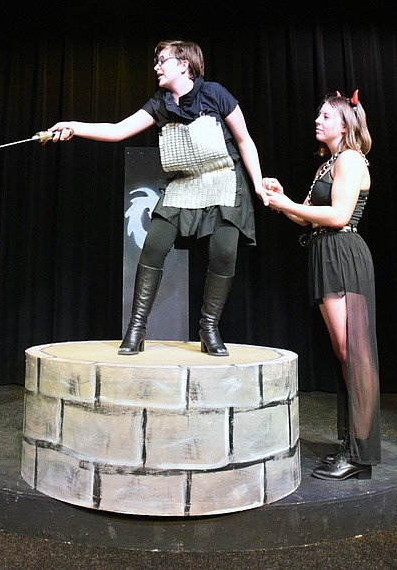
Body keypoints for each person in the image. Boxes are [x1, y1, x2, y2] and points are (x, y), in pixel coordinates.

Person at [48, 39, 270, 357]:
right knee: (153, 245)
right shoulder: (160, 104)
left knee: (224, 252)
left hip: (224, 180)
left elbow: (244, 140)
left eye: (161, 60)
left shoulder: (216, 94)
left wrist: (259, 183)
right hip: (184, 183)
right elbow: (117, 130)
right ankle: (136, 329)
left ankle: (208, 328)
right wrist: (74, 126)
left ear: (184, 64)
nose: (156, 66)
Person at [262, 90, 379, 481]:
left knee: (353, 352)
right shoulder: (327, 164)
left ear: (344, 124)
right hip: (325, 251)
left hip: (343, 251)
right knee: (344, 353)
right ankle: (352, 446)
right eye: (319, 114)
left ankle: (361, 452)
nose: (318, 120)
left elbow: (338, 214)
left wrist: (286, 206)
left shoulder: (348, 159)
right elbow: (312, 218)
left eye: (326, 116)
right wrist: (284, 200)